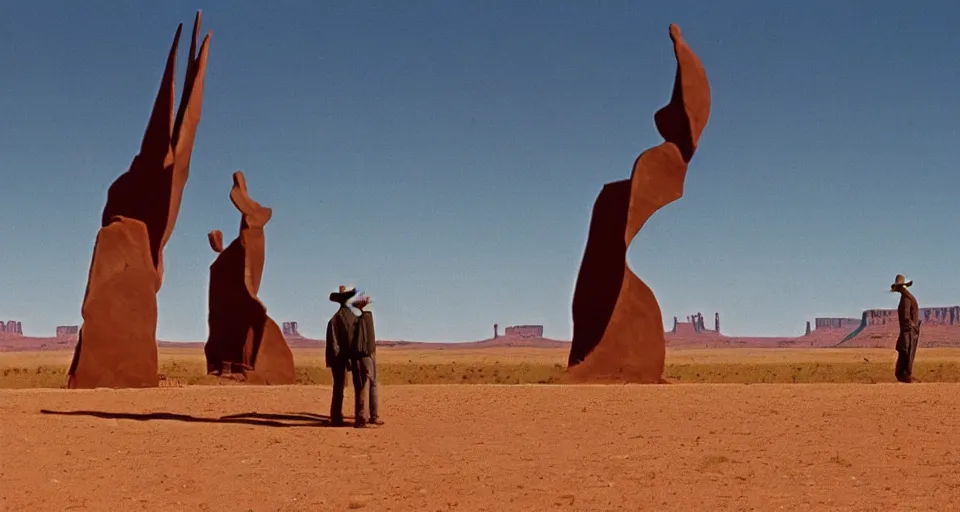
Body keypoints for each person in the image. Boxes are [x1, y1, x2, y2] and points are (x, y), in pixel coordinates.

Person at [326, 285, 358, 426]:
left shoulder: (334, 319)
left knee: (338, 388)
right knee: (359, 386)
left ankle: (336, 416)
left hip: (338, 358)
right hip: (349, 357)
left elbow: (333, 343)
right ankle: (359, 415)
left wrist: (335, 359)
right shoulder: (354, 318)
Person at [350, 293, 383, 427]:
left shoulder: (359, 319)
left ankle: (362, 417)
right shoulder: (367, 317)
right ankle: (370, 416)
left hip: (360, 354)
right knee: (371, 384)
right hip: (367, 354)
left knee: (361, 385)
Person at [891, 274, 920, 383]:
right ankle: (905, 375)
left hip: (908, 331)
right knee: (906, 352)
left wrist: (909, 328)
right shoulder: (909, 297)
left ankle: (904, 376)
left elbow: (906, 317)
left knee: (905, 351)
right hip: (910, 330)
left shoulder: (906, 299)